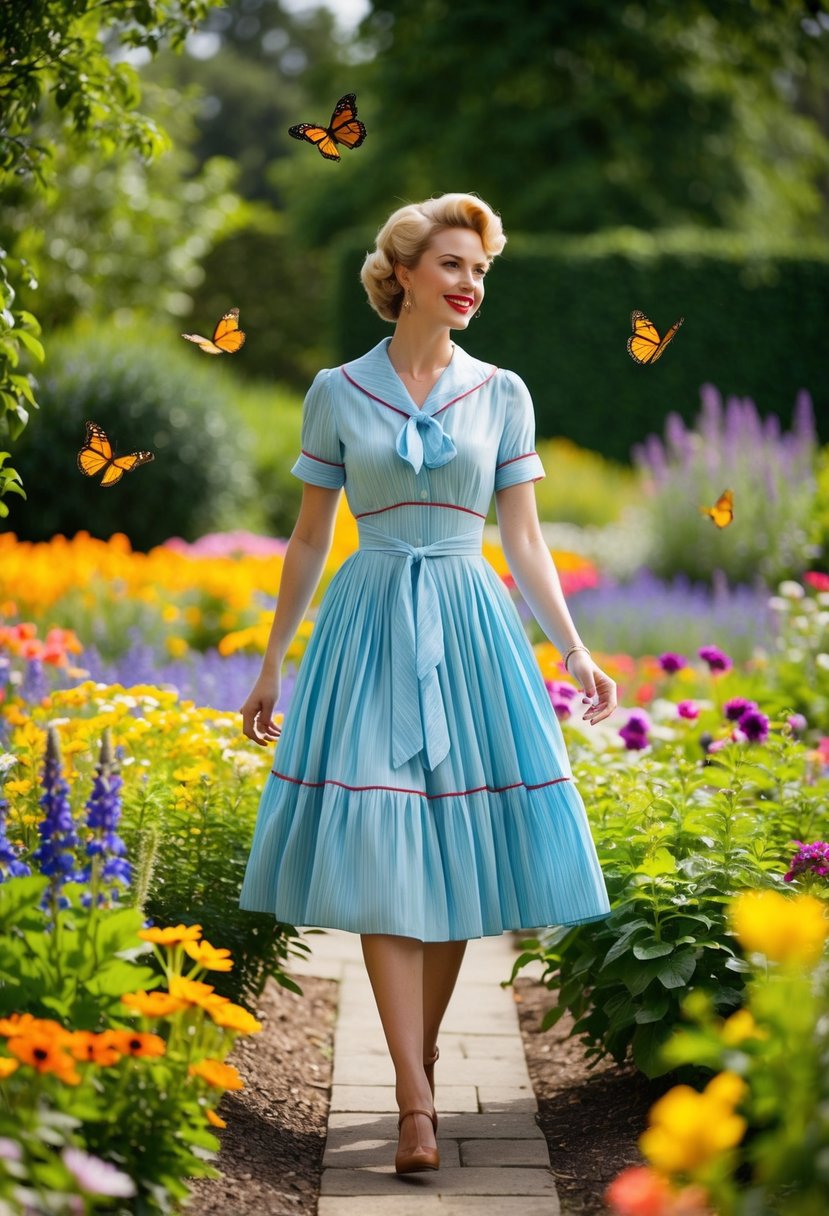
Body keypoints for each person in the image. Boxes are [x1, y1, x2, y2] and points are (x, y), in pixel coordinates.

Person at [238, 192, 615, 1175]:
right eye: (452, 265)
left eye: (479, 271)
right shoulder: (335, 390)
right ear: (400, 271)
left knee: (448, 855)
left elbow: (524, 538)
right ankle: (413, 1099)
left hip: (469, 618)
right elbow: (311, 534)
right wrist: (272, 660)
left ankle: (421, 1055)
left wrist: (572, 647)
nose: (469, 285)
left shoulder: (502, 392)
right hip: (367, 623)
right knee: (381, 842)